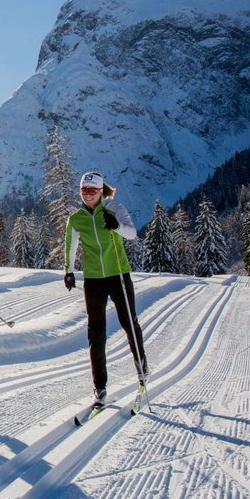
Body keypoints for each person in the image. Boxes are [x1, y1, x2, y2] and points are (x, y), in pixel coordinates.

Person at [63, 170, 148, 407]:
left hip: (118, 274)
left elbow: (132, 234)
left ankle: (142, 370)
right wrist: (68, 271)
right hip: (93, 279)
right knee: (96, 333)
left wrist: (117, 226)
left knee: (129, 323)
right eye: (84, 191)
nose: (88, 195)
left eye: (92, 191)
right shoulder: (76, 218)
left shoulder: (114, 209)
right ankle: (99, 388)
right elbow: (70, 245)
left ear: (101, 191)